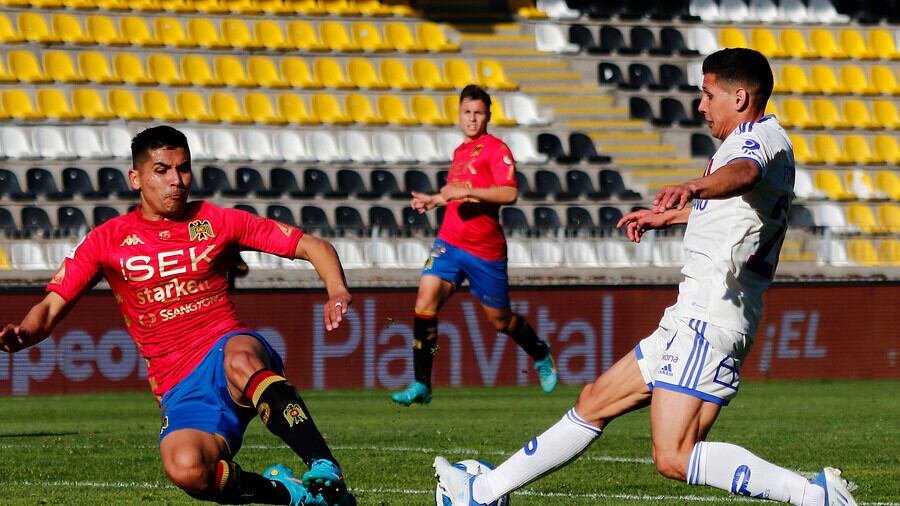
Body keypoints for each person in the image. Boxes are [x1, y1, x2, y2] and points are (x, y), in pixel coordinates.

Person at [434, 49, 857, 506]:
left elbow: (744, 175)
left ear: (739, 97)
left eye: (707, 94)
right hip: (692, 317)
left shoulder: (755, 141)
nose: (700, 105)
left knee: (674, 456)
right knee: (594, 401)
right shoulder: (763, 139)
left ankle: (813, 496)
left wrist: (693, 186)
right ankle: (482, 491)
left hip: (709, 317)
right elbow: (738, 210)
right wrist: (673, 217)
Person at [0, 126, 355, 506]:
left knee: (241, 358)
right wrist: (26, 332)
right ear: (136, 179)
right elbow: (52, 305)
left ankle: (323, 464)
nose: (176, 180)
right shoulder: (107, 240)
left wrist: (336, 290)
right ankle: (292, 494)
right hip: (178, 383)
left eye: (183, 169)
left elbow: (310, 244)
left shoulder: (216, 220)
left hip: (225, 344)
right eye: (162, 170)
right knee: (188, 468)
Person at [390, 85, 558, 406]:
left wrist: (465, 192)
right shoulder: (460, 152)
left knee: (500, 320)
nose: (472, 119)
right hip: (450, 242)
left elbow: (509, 194)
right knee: (425, 297)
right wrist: (435, 200)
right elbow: (458, 193)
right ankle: (421, 383)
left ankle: (539, 352)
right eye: (467, 112)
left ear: (487, 116)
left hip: (485, 250)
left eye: (478, 113)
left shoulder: (497, 149)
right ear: (458, 114)